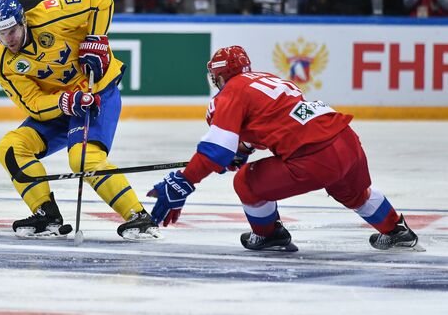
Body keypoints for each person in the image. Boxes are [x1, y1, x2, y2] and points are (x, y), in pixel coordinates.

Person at [147, 45, 420, 252]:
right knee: (354, 193)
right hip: (346, 141)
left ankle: (268, 235)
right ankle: (396, 230)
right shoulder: (269, 80)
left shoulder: (231, 92)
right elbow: (277, 124)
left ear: (219, 76)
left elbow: (217, 149)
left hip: (316, 156)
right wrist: (243, 149)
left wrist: (184, 180)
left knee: (247, 182)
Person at [0, 0, 161, 241]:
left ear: (23, 21)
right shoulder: (0, 60)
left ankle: (138, 216)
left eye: (10, 31)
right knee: (11, 147)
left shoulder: (50, 14)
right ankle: (46, 214)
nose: (7, 39)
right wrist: (65, 101)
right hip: (61, 107)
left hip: (95, 95)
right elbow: (33, 104)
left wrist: (96, 39)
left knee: (84, 159)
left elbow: (101, 1)